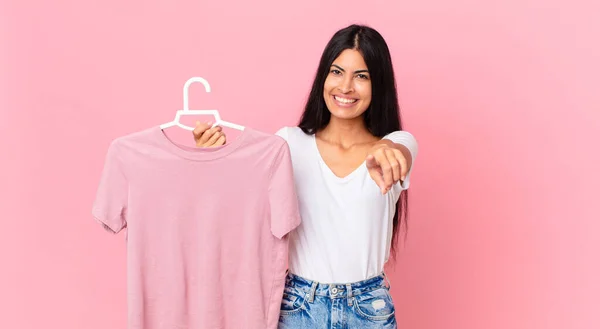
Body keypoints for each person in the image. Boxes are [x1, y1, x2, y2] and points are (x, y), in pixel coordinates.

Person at [194, 24, 418, 329]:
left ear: (378, 84)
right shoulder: (287, 144)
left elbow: (401, 148)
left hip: (368, 309)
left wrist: (389, 147)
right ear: (323, 77)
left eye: (361, 76)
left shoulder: (396, 145)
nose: (346, 87)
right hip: (300, 306)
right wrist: (210, 159)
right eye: (337, 72)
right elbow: (236, 204)